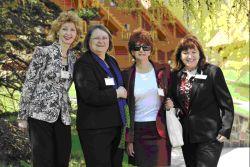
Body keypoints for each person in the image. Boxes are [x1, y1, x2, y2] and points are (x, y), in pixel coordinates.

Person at [18, 11, 83, 167]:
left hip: (63, 116)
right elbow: (29, 83)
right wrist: (22, 116)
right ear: (57, 31)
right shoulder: (43, 52)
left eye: (72, 30)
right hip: (39, 114)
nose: (68, 33)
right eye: (65, 29)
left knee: (62, 160)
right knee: (43, 161)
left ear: (76, 34)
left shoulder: (74, 58)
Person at [166, 35, 234, 167]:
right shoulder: (176, 75)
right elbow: (175, 100)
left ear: (200, 54)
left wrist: (225, 130)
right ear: (180, 55)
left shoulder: (212, 72)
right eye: (185, 52)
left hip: (210, 136)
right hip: (188, 136)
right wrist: (170, 103)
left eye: (193, 52)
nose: (190, 56)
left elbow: (226, 103)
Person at [73, 24, 127, 167]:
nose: (101, 41)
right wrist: (116, 93)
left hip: (116, 125)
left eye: (104, 38)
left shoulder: (111, 61)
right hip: (95, 129)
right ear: (89, 41)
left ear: (109, 41)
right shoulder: (83, 64)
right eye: (96, 38)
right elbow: (90, 95)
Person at [123, 28, 171, 166]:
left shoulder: (163, 70)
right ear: (132, 51)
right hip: (138, 131)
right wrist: (129, 139)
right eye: (137, 47)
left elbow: (173, 94)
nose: (141, 50)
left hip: (160, 129)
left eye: (145, 47)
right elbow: (126, 110)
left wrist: (171, 102)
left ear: (151, 50)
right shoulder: (126, 75)